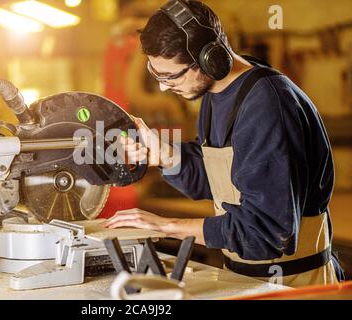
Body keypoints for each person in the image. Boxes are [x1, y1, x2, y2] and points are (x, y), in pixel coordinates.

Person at [103, 0, 345, 287]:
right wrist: (166, 155)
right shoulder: (218, 93)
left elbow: (265, 233)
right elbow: (224, 179)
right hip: (245, 278)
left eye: (170, 76)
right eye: (156, 75)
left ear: (210, 59)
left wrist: (167, 225)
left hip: (294, 284)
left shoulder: (266, 106)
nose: (163, 87)